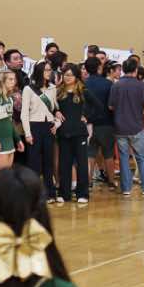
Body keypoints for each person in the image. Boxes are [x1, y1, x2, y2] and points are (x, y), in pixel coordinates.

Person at [111, 57, 144, 198]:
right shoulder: (140, 85)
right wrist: (143, 119)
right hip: (136, 127)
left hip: (120, 127)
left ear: (123, 69)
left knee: (123, 158)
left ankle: (126, 188)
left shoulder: (116, 85)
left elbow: (111, 106)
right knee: (142, 158)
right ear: (135, 70)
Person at [22, 64, 60, 203]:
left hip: (48, 126)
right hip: (34, 126)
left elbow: (55, 108)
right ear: (39, 71)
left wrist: (56, 124)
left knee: (49, 162)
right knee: (34, 163)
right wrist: (27, 133)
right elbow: (24, 113)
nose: (49, 72)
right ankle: (34, 195)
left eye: (50, 70)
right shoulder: (28, 89)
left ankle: (50, 193)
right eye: (46, 70)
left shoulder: (52, 88)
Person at [55, 64, 91, 205]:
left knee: (82, 164)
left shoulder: (83, 91)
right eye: (65, 75)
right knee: (64, 164)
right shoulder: (59, 92)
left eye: (70, 75)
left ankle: (83, 194)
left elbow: (98, 106)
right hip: (63, 133)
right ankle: (64, 194)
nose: (67, 77)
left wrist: (87, 116)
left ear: (76, 76)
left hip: (79, 133)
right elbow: (52, 107)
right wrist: (56, 112)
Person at [84, 56, 117, 189]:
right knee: (108, 154)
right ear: (99, 67)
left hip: (88, 124)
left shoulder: (83, 84)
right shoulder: (108, 84)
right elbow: (112, 104)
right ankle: (111, 182)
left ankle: (88, 182)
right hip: (106, 123)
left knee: (90, 153)